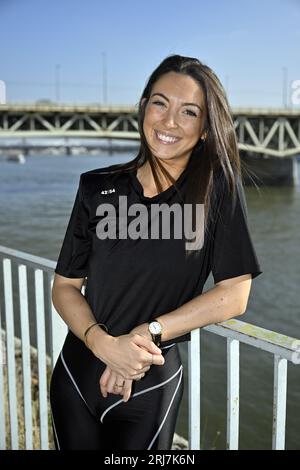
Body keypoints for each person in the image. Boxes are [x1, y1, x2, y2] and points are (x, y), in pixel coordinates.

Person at [50, 54, 263, 450]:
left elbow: (235, 293)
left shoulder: (217, 193)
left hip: (150, 385)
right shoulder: (96, 187)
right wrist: (104, 345)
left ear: (203, 129)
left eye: (188, 112)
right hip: (76, 375)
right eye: (160, 102)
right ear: (143, 106)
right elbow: (64, 287)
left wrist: (147, 334)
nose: (169, 122)